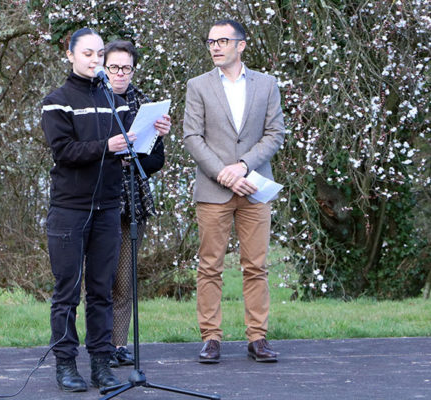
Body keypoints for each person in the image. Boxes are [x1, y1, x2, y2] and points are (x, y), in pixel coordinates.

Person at [183, 20, 285, 364]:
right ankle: (211, 338)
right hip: (213, 191)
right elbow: (192, 137)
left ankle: (258, 338)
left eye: (222, 41)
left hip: (255, 187)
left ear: (241, 45)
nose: (215, 47)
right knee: (209, 266)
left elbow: (274, 134)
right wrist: (225, 175)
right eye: (211, 41)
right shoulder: (197, 86)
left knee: (256, 266)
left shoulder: (267, 85)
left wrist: (242, 166)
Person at [41, 28, 136, 392]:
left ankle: (101, 364)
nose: (96, 60)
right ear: (70, 55)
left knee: (101, 290)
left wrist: (151, 135)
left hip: (109, 207)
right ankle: (66, 364)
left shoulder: (116, 100)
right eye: (88, 54)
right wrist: (106, 146)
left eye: (100, 54)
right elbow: (64, 151)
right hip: (69, 210)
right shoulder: (57, 101)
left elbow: (131, 152)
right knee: (67, 290)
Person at [102, 40, 171, 368]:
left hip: (133, 200)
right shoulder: (92, 99)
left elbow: (157, 159)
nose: (119, 74)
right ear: (103, 68)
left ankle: (118, 344)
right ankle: (98, 346)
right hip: (97, 200)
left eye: (126, 68)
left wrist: (146, 148)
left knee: (124, 281)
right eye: (113, 67)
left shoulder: (145, 104)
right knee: (100, 278)